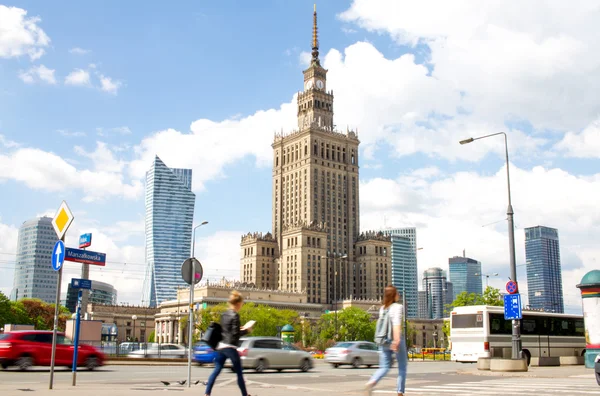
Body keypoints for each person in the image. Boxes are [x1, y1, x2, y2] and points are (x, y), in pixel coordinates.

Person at [205, 290, 253, 396]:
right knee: (239, 373)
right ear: (238, 304)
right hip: (230, 347)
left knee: (216, 370)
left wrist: (239, 328)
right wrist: (247, 330)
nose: (241, 306)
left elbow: (226, 330)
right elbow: (235, 334)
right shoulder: (235, 315)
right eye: (242, 304)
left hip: (221, 346)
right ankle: (245, 395)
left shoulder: (224, 314)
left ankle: (207, 393)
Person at [365, 285, 407, 396]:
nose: (399, 295)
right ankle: (400, 392)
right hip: (394, 340)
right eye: (397, 293)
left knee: (384, 367)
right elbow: (396, 324)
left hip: (383, 341)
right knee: (402, 367)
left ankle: (372, 382)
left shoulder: (382, 308)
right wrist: (397, 340)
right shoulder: (398, 307)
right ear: (394, 295)